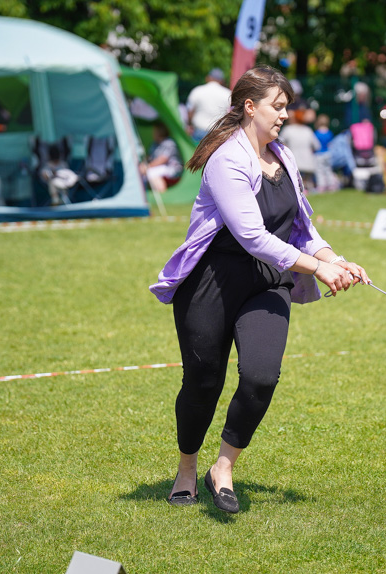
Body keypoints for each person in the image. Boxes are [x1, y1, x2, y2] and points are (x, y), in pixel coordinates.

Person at [150, 65, 370, 514]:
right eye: (278, 106)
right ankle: (187, 467)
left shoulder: (284, 156)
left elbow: (301, 227)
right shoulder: (227, 159)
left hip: (266, 283)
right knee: (202, 383)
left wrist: (335, 260)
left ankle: (223, 467)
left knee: (261, 376)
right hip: (211, 283)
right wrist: (319, 270)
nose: (285, 115)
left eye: (287, 106)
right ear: (250, 107)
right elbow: (252, 236)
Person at [279, 106, 321, 192]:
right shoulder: (308, 130)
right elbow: (317, 146)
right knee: (307, 184)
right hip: (308, 163)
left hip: (294, 162)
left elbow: (279, 143)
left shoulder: (287, 130)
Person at [186, 68, 232, 142]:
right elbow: (230, 114)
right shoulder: (228, 94)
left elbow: (190, 111)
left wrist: (189, 125)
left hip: (198, 131)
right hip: (217, 133)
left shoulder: (197, 91)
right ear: (221, 81)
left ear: (208, 78)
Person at [141, 122, 183, 193]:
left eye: (155, 131)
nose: (153, 133)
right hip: (160, 168)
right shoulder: (154, 144)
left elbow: (163, 159)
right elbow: (149, 157)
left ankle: (162, 193)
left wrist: (147, 166)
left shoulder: (169, 143)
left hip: (172, 169)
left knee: (151, 173)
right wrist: (143, 165)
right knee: (144, 174)